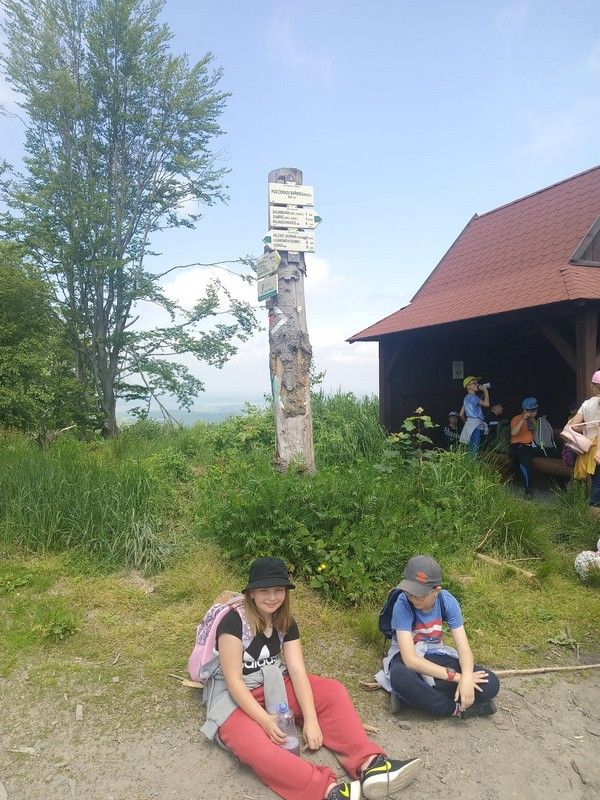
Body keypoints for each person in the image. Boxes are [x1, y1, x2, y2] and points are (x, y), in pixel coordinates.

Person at [204, 556, 422, 800]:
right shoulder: (233, 622)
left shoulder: (285, 621)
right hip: (235, 696)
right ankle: (327, 791)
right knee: (252, 744)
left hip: (273, 682)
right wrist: (265, 721)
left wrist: (311, 720)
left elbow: (297, 670)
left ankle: (371, 764)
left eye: (278, 590)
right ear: (251, 593)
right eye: (264, 590)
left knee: (331, 691)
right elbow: (234, 681)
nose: (272, 597)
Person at [378, 555, 500, 719]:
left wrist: (467, 678)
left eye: (419, 594)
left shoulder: (447, 602)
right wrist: (458, 678)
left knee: (491, 683)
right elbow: (410, 660)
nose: (412, 598)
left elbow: (464, 650)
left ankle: (412, 697)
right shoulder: (402, 603)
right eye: (409, 592)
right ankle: (456, 709)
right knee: (400, 677)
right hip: (407, 656)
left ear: (436, 591)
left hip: (435, 654)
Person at [568, 371, 600, 518]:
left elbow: (573, 425)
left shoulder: (586, 404)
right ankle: (593, 521)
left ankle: (591, 521)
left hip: (590, 450)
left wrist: (588, 428)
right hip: (598, 450)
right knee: (598, 487)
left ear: (592, 386)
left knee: (596, 484)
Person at [510, 397, 540, 497]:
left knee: (552, 452)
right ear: (525, 409)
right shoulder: (516, 418)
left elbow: (536, 432)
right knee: (525, 460)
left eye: (534, 410)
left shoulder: (532, 420)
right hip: (519, 445)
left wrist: (532, 420)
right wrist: (523, 419)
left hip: (531, 445)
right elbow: (513, 433)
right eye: (531, 410)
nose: (533, 412)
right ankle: (528, 490)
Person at [459, 376, 490, 454]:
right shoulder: (474, 397)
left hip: (470, 424)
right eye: (474, 383)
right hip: (476, 424)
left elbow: (461, 414)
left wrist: (467, 422)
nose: (477, 385)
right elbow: (487, 404)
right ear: (468, 386)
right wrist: (486, 391)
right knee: (474, 449)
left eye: (477, 383)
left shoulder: (466, 398)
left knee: (471, 448)